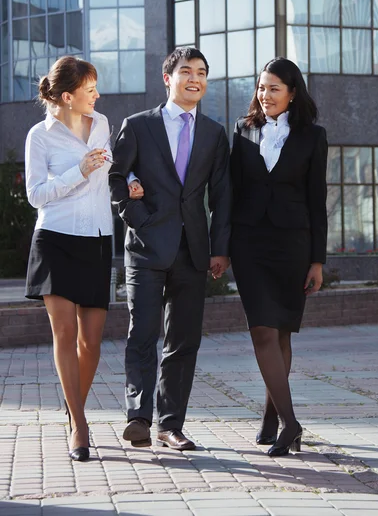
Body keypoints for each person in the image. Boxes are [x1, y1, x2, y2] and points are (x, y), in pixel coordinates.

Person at [109, 47, 231, 451]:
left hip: (193, 251)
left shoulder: (214, 133)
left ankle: (170, 424)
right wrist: (138, 217)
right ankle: (139, 418)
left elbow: (222, 196)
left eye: (201, 72)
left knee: (183, 340)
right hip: (145, 248)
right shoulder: (138, 126)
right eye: (186, 71)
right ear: (168, 78)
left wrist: (219, 249)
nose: (194, 78)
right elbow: (115, 179)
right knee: (142, 333)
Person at [230, 57, 327, 457]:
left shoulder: (313, 137)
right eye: (260, 87)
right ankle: (291, 423)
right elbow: (231, 191)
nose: (264, 95)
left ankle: (272, 419)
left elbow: (317, 201)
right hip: (250, 244)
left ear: (291, 92)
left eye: (273, 88)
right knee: (262, 331)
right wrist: (221, 247)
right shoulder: (243, 130)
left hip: (292, 246)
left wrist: (317, 260)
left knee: (282, 332)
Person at [25, 56, 113, 462]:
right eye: (90, 89)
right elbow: (36, 195)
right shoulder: (39, 136)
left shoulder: (103, 124)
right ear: (67, 96)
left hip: (96, 237)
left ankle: (72, 402)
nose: (97, 95)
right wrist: (78, 170)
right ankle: (79, 423)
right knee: (64, 334)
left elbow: (107, 174)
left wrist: (125, 179)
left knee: (91, 342)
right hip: (55, 240)